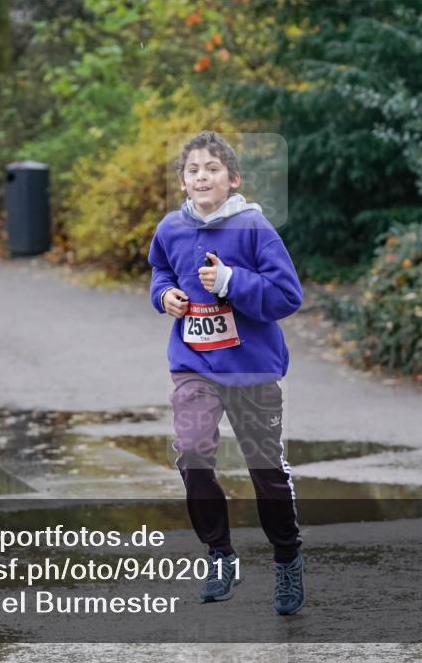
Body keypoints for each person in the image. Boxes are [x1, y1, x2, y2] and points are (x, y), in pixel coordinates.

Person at [147, 131, 305, 615]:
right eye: (192, 170)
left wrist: (234, 282)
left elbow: (287, 296)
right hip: (194, 365)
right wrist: (164, 296)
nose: (201, 177)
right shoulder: (170, 228)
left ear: (232, 178)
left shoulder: (255, 228)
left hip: (253, 369)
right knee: (193, 450)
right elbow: (161, 271)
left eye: (212, 169)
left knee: (266, 473)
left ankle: (286, 558)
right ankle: (219, 554)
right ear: (182, 181)